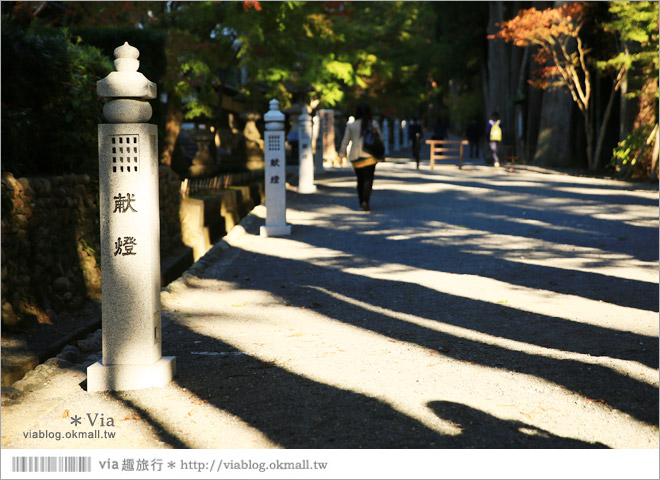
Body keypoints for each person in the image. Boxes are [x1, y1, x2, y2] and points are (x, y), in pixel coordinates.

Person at [339, 103, 384, 212]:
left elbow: (345, 141)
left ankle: (361, 202)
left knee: (360, 180)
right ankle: (366, 201)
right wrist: (382, 153)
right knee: (368, 180)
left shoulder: (351, 125)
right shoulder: (373, 124)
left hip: (356, 157)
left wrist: (341, 155)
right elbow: (380, 140)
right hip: (370, 156)